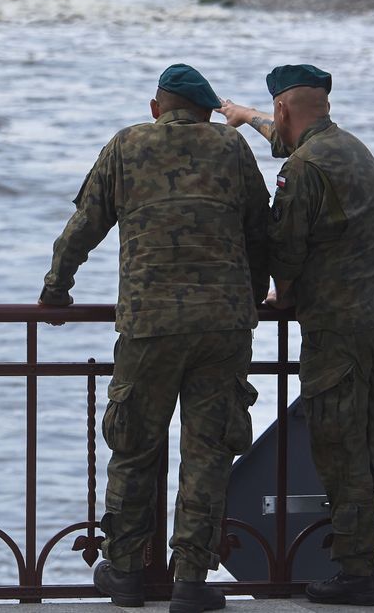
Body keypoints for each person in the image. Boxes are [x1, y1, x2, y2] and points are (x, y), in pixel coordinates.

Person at [221, 65, 374, 607]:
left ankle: (357, 572)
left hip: (338, 329)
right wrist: (247, 115)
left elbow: (286, 251)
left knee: (339, 448)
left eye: (272, 112)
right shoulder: (355, 150)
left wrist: (280, 292)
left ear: (284, 108)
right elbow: (291, 139)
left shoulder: (302, 170)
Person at [39, 64, 269, 613]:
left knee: (135, 450)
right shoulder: (232, 148)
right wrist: (256, 294)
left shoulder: (126, 146)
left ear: (155, 107)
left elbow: (86, 223)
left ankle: (125, 575)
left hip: (150, 326)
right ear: (209, 111)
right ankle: (190, 580)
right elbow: (262, 230)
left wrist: (56, 290)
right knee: (208, 452)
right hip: (223, 326)